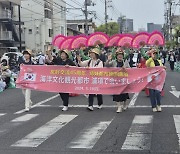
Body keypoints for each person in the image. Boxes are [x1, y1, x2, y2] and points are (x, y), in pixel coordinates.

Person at [105, 49, 130, 113]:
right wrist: (108, 59)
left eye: (121, 55)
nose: (120, 56)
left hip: (123, 81)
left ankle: (125, 104)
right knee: (116, 94)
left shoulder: (125, 62)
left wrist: (126, 69)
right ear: (116, 56)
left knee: (124, 94)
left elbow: (130, 70)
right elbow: (106, 65)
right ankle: (119, 106)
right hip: (115, 81)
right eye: (118, 55)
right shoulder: (113, 62)